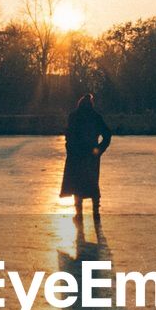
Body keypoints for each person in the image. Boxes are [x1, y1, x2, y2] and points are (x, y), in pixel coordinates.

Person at [60, 93, 112, 221]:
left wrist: (70, 148)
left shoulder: (74, 116)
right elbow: (107, 134)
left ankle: (79, 213)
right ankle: (95, 211)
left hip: (76, 155)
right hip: (90, 155)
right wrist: (99, 149)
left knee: (77, 183)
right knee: (92, 181)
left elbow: (68, 134)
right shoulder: (96, 117)